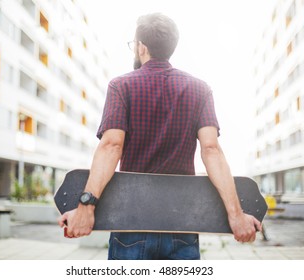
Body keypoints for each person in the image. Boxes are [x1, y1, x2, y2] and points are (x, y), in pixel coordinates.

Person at [58, 13, 262, 260]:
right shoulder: (200, 89)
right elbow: (211, 150)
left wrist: (85, 207)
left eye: (133, 44)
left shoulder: (121, 86)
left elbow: (111, 145)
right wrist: (236, 214)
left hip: (131, 225)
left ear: (141, 47)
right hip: (182, 226)